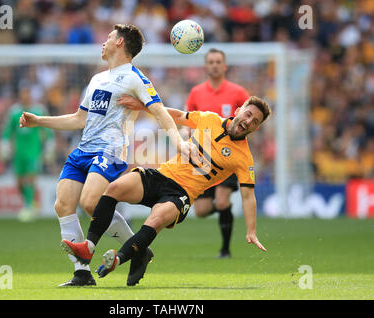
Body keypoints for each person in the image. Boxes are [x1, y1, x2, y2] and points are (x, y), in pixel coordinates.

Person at [19, 24, 194, 287]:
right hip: (83, 150)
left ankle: (137, 249)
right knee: (62, 205)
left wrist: (179, 141)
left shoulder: (135, 78)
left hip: (110, 150)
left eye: (109, 37)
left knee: (91, 203)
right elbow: (79, 119)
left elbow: (160, 112)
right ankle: (82, 273)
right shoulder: (97, 79)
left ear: (121, 43)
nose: (104, 42)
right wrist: (39, 121)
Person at [61, 96, 271, 286]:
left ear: (256, 128)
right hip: (162, 176)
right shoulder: (209, 119)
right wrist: (143, 107)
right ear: (240, 109)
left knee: (154, 220)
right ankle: (89, 247)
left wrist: (251, 231)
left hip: (182, 194)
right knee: (114, 188)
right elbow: (178, 116)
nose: (249, 122)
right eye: (249, 114)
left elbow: (248, 196)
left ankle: (118, 258)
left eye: (255, 122)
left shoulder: (244, 158)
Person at [185, 48, 250, 258]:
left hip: (228, 156)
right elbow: (188, 122)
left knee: (222, 201)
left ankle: (225, 250)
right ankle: (226, 212)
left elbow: (249, 120)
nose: (214, 65)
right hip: (203, 157)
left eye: (218, 61)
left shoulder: (238, 93)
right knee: (201, 211)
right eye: (211, 62)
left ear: (225, 66)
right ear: (206, 66)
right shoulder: (196, 92)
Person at [0, 85, 55, 222]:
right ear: (20, 95)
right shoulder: (14, 112)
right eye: (23, 93)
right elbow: (8, 131)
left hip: (34, 152)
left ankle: (28, 207)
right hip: (18, 153)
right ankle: (30, 203)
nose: (25, 96)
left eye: (27, 93)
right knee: (19, 182)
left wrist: (49, 146)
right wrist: (5, 145)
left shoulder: (38, 110)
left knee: (30, 179)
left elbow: (47, 129)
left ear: (30, 95)